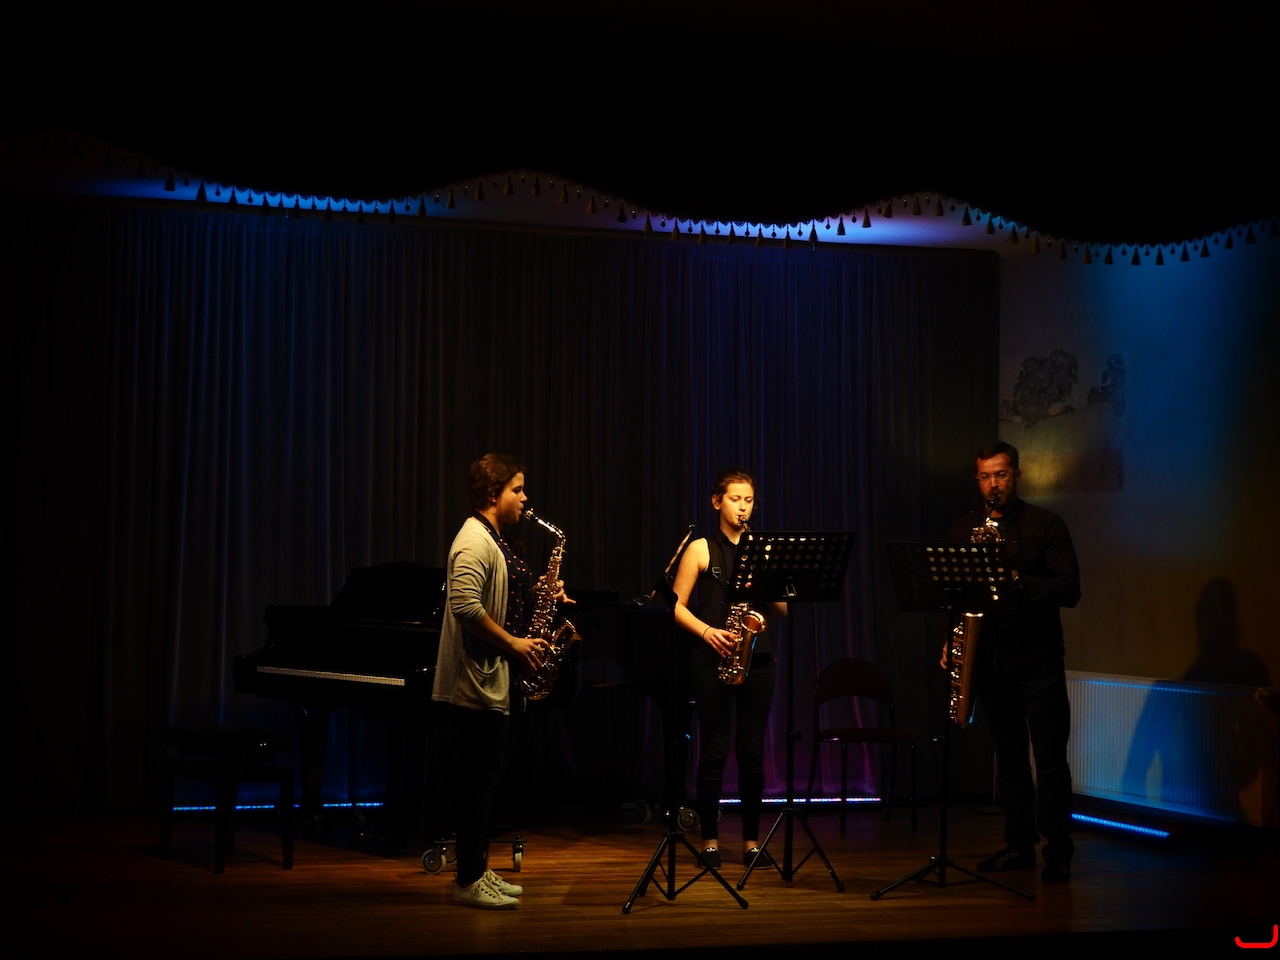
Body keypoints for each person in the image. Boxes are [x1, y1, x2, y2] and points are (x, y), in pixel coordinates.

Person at [432, 453, 569, 909]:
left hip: (498, 678)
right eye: (517, 489)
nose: (525, 498)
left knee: (487, 782)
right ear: (494, 494)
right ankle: (467, 881)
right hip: (477, 682)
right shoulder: (474, 540)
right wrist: (514, 643)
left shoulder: (497, 539)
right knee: (478, 782)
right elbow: (466, 607)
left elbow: (506, 595)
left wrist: (545, 592)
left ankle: (476, 868)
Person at [947, 440, 1080, 882]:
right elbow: (955, 595)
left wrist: (1018, 578)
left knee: (1050, 757)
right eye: (985, 477)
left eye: (1000, 475)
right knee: (1009, 758)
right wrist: (952, 639)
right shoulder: (964, 529)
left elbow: (1069, 590)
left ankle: (1058, 851)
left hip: (1038, 656)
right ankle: (1018, 845)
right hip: (991, 658)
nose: (993, 484)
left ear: (1017, 476)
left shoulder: (1046, 525)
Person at [672, 469, 787, 870]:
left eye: (749, 500)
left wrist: (766, 579)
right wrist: (707, 632)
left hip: (758, 660)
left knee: (752, 752)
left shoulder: (761, 549)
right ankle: (710, 842)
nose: (743, 507)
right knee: (715, 750)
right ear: (716, 502)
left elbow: (782, 611)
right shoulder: (701, 548)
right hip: (712, 658)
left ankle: (752, 843)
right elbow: (675, 606)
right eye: (735, 499)